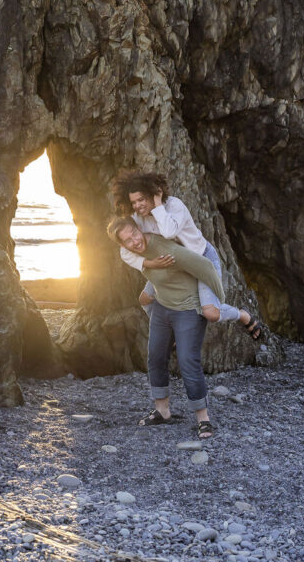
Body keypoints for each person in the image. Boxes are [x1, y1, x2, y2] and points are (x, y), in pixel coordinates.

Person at [107, 215, 222, 437]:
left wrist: (217, 299)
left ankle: (203, 418)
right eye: (128, 240)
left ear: (138, 229)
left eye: (134, 233)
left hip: (188, 308)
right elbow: (153, 274)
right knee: (156, 356)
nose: (134, 241)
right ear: (123, 246)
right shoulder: (130, 254)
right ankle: (163, 411)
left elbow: (205, 265)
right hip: (162, 307)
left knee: (188, 360)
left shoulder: (165, 247)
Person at [111, 169, 261, 338]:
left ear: (152, 194)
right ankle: (169, 330)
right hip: (170, 265)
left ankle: (242, 315)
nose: (137, 206)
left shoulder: (174, 206)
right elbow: (125, 250)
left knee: (211, 313)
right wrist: (150, 264)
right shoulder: (138, 218)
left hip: (201, 259)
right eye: (133, 203)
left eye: (141, 199)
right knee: (144, 299)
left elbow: (169, 232)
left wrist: (158, 205)